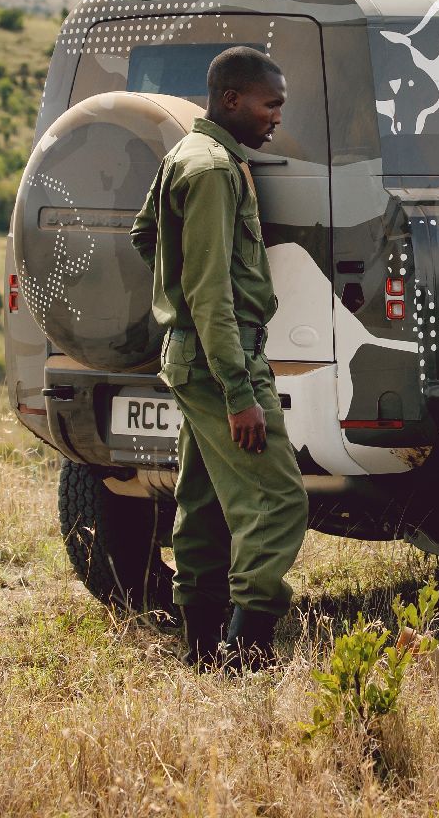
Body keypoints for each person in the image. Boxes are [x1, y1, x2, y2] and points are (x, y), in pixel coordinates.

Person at [130, 46, 307, 669]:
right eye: (270, 104)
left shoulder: (191, 155)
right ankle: (246, 652)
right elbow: (210, 293)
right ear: (231, 99)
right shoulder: (211, 170)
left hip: (196, 357)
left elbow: (144, 232)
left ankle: (202, 649)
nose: (276, 118)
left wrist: (171, 283)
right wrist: (240, 392)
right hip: (218, 363)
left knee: (204, 505)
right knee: (280, 501)